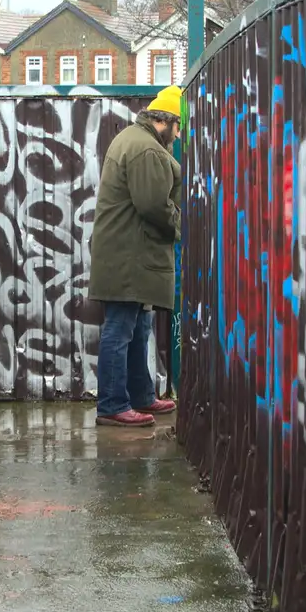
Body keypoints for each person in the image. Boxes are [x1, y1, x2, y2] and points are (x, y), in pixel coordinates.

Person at [88, 84, 184, 427]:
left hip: (129, 253)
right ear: (167, 121)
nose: (178, 135)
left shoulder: (134, 139)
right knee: (120, 329)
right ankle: (113, 404)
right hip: (128, 256)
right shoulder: (147, 150)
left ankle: (141, 396)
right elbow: (153, 205)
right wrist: (178, 223)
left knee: (139, 327)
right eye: (178, 127)